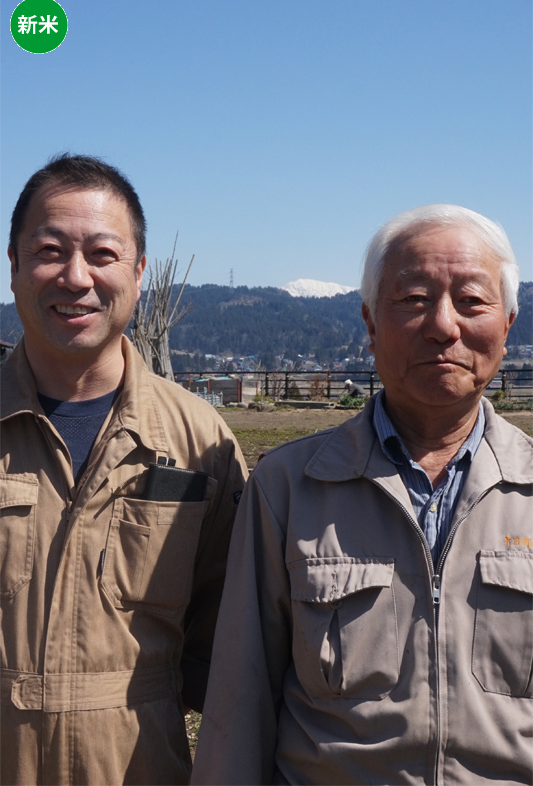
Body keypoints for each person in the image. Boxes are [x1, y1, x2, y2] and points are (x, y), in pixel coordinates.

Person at [192, 204, 532, 786]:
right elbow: (238, 705)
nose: (443, 325)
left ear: (507, 324)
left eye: (472, 301)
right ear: (371, 324)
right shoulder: (289, 487)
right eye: (414, 299)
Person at [0, 154, 247, 786]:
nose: (75, 277)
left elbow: (227, 641)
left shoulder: (200, 443)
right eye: (50, 251)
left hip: (140, 767)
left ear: (138, 273)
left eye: (103, 255)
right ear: (14, 266)